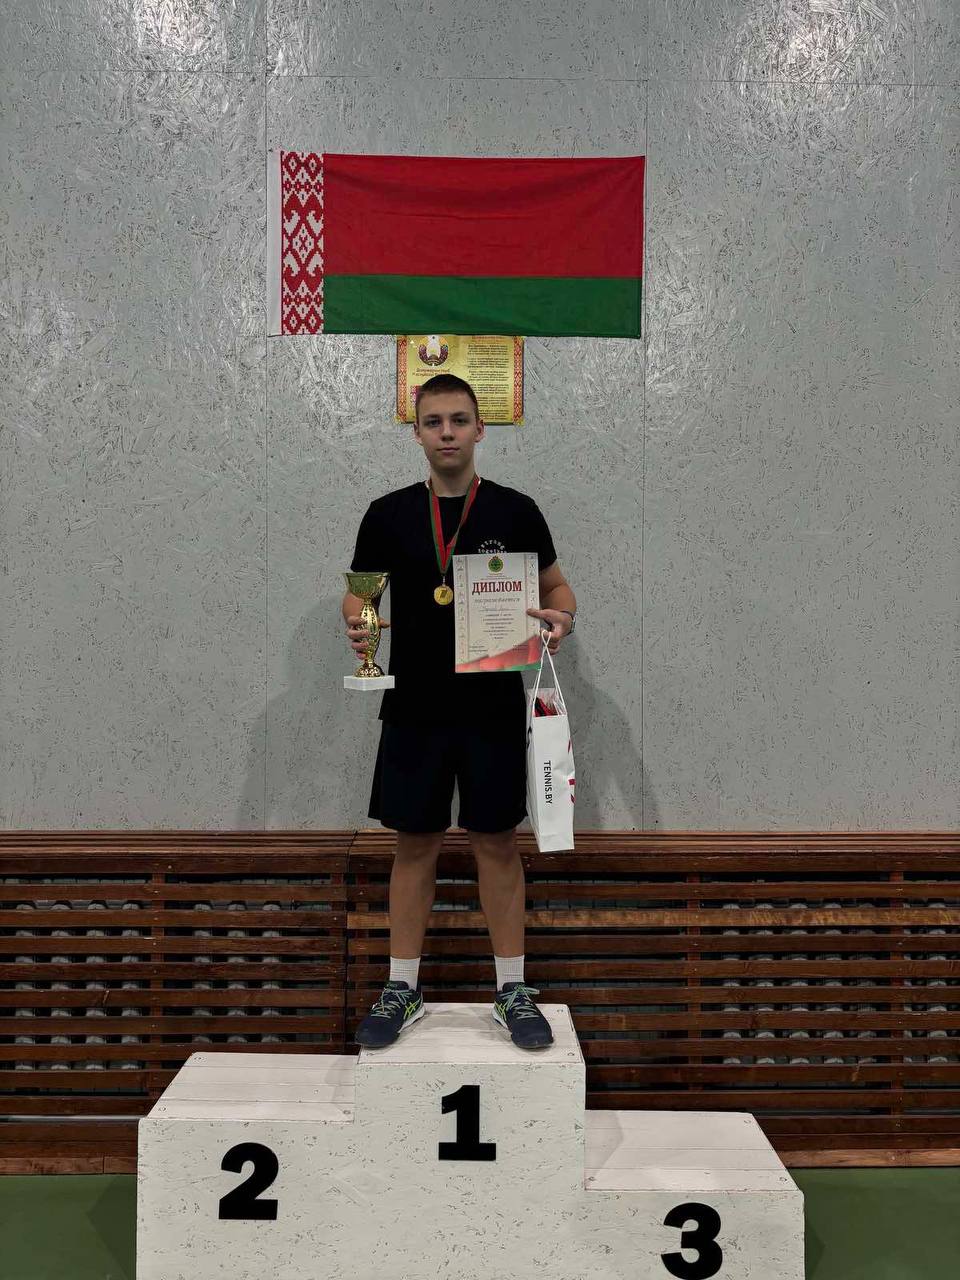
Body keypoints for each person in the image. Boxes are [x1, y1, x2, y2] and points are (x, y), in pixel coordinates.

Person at [342, 372, 577, 1051]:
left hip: (490, 706)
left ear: (480, 429)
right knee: (413, 844)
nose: (447, 432)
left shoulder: (516, 511)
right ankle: (402, 987)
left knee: (497, 843)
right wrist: (359, 622)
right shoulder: (386, 514)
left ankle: (512, 990)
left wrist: (560, 620)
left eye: (458, 420)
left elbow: (558, 589)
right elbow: (359, 595)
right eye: (433, 421)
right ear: (417, 433)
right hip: (414, 707)